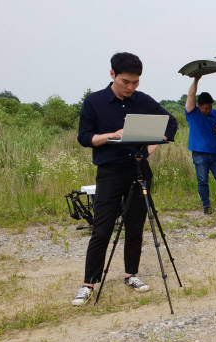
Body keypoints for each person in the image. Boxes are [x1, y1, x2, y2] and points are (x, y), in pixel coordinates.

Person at [72, 52, 178, 306]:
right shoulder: (94, 102)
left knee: (135, 226)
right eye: (125, 82)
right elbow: (85, 138)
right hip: (109, 172)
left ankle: (131, 274)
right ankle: (89, 282)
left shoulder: (142, 100)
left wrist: (154, 144)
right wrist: (112, 135)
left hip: (139, 171)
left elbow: (171, 124)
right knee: (103, 228)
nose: (131, 87)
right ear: (112, 75)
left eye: (135, 82)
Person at [185, 75, 216, 214]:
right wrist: (196, 79)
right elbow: (191, 94)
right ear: (199, 106)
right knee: (203, 182)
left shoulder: (215, 113)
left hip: (215, 154)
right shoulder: (192, 113)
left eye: (210, 107)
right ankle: (206, 207)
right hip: (199, 154)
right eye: (205, 108)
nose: (208, 110)